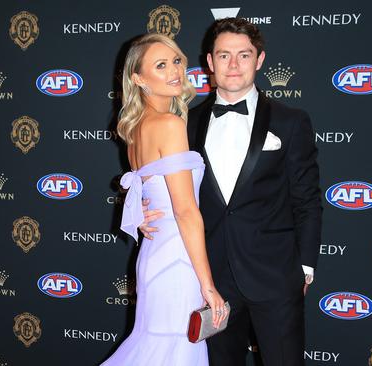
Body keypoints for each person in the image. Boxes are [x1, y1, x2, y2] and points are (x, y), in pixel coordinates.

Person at [141, 18, 322, 366]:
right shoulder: (184, 125)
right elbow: (155, 185)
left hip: (276, 278)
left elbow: (308, 200)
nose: (234, 65)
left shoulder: (291, 121)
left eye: (244, 55)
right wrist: (142, 216)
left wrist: (305, 268)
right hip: (210, 280)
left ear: (260, 59)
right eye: (224, 56)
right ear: (209, 62)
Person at [101, 33, 227, 365]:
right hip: (177, 262)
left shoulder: (135, 130)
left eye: (176, 61)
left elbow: (150, 196)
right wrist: (208, 285)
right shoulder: (169, 124)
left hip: (155, 257)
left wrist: (141, 215)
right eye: (160, 65)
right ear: (138, 79)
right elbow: (186, 211)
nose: (174, 71)